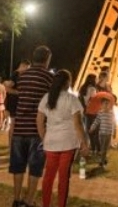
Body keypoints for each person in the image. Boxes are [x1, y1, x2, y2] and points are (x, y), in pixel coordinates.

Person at [9, 45, 54, 207]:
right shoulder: (49, 77)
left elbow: (16, 91)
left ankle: (17, 199)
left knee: (18, 166)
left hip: (20, 127)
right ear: (47, 58)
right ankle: (29, 201)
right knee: (35, 167)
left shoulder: (23, 76)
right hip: (37, 129)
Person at [37, 69, 89, 207]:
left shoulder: (46, 98)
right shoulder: (71, 99)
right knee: (64, 177)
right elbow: (78, 124)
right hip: (68, 143)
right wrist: (84, 143)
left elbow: (39, 121)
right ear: (67, 83)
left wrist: (44, 138)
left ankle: (46, 204)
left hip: (51, 142)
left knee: (48, 176)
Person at [4, 60, 31, 137]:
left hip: (18, 102)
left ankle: (12, 145)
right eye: (27, 68)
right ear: (22, 66)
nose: (27, 70)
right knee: (14, 124)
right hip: (15, 103)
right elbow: (8, 87)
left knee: (16, 124)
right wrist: (19, 92)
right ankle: (11, 145)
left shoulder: (20, 74)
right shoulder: (16, 74)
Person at [89, 97, 115, 168]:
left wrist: (114, 132)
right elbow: (96, 121)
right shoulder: (100, 113)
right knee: (103, 148)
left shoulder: (111, 113)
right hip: (102, 134)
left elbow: (113, 123)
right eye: (104, 104)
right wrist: (92, 127)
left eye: (107, 104)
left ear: (110, 105)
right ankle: (102, 161)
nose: (106, 106)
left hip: (108, 134)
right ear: (101, 105)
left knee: (106, 148)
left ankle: (103, 161)